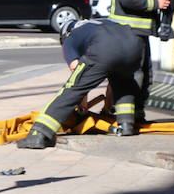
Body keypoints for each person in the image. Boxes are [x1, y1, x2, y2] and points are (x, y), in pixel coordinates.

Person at [19, 18, 142, 149]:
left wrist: (82, 110)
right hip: (134, 46)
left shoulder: (70, 36)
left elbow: (77, 75)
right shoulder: (95, 24)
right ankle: (127, 124)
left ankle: (39, 134)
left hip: (104, 46)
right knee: (123, 82)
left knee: (71, 89)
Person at [109, 0, 172, 136]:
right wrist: (156, 4)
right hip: (128, 32)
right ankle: (125, 120)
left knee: (144, 76)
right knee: (133, 76)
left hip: (139, 33)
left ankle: (136, 116)